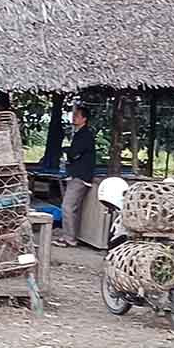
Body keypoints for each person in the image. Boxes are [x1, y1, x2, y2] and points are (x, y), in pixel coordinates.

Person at [54, 106, 96, 248]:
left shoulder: (84, 135)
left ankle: (70, 238)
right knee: (72, 208)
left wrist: (66, 150)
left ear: (84, 119)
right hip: (78, 174)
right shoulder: (80, 134)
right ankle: (70, 236)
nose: (74, 117)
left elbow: (74, 153)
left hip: (80, 176)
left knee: (67, 207)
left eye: (77, 115)